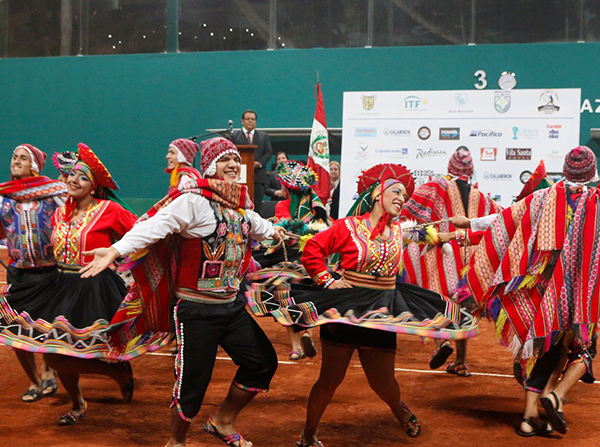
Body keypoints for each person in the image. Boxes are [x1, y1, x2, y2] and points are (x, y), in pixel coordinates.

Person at [247, 163, 478, 447]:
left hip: (383, 313)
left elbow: (435, 236)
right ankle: (308, 434)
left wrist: (466, 229)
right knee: (330, 380)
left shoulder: (401, 231)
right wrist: (327, 281)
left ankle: (399, 410)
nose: (402, 199)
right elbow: (313, 250)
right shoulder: (348, 227)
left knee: (383, 383)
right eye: (396, 192)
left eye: (404, 196)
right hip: (345, 310)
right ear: (378, 193)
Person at [81, 137, 285, 447]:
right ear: (210, 167)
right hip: (196, 311)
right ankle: (176, 442)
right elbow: (154, 226)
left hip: (230, 308)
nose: (232, 164)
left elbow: (262, 228)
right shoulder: (194, 201)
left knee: (262, 362)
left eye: (235, 159)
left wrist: (281, 230)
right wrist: (115, 250)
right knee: (192, 385)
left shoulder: (242, 207)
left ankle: (222, 421)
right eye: (224, 160)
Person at [0, 143, 166, 425]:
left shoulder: (109, 210)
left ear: (93, 186)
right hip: (60, 284)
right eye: (72, 175)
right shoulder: (59, 212)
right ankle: (79, 402)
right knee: (53, 352)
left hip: (95, 287)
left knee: (79, 350)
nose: (74, 181)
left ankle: (115, 373)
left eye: (83, 177)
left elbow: (142, 233)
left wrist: (125, 259)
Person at [456, 146, 600, 437]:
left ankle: (528, 417)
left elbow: (504, 220)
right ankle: (556, 395)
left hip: (545, 295)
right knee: (582, 349)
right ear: (592, 172)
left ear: (567, 171)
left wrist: (468, 225)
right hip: (583, 297)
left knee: (543, 351)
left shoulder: (544, 198)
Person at [400, 147, 502, 376]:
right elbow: (499, 222)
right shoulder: (483, 198)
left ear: (450, 168)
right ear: (471, 170)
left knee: (436, 302)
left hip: (442, 259)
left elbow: (410, 211)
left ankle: (441, 344)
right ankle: (462, 362)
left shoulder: (436, 187)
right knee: (463, 310)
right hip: (470, 263)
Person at [0, 144, 66, 403]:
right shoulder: (5, 197)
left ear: (35, 166)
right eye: (14, 156)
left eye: (23, 158)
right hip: (19, 274)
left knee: (50, 329)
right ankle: (34, 381)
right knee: (15, 332)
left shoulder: (53, 194)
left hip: (52, 273)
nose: (16, 161)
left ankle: (50, 371)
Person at [231, 109, 273, 216]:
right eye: (248, 119)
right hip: (241, 177)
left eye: (253, 119)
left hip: (258, 177)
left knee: (257, 206)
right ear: (242, 121)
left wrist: (259, 163)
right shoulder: (234, 136)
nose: (250, 121)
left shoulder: (263, 136)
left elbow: (268, 153)